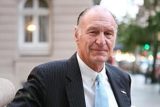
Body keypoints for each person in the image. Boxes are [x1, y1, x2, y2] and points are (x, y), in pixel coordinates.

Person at [7, 5, 131, 107]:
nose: (101, 41)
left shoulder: (122, 79)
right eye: (93, 32)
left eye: (108, 33)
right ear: (76, 35)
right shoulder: (46, 77)